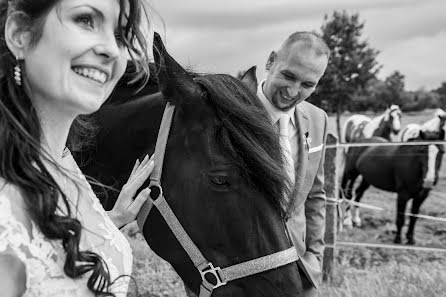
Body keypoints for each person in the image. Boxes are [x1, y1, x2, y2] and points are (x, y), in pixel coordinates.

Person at [0, 0, 154, 296]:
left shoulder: (62, 161)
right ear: (20, 33)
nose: (111, 50)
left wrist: (110, 220)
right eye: (85, 20)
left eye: (121, 35)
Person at [256, 31, 330, 296]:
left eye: (308, 84)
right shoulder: (228, 115)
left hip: (300, 270)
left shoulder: (318, 119)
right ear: (270, 61)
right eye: (288, 76)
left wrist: (314, 256)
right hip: (242, 272)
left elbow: (315, 195)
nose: (293, 91)